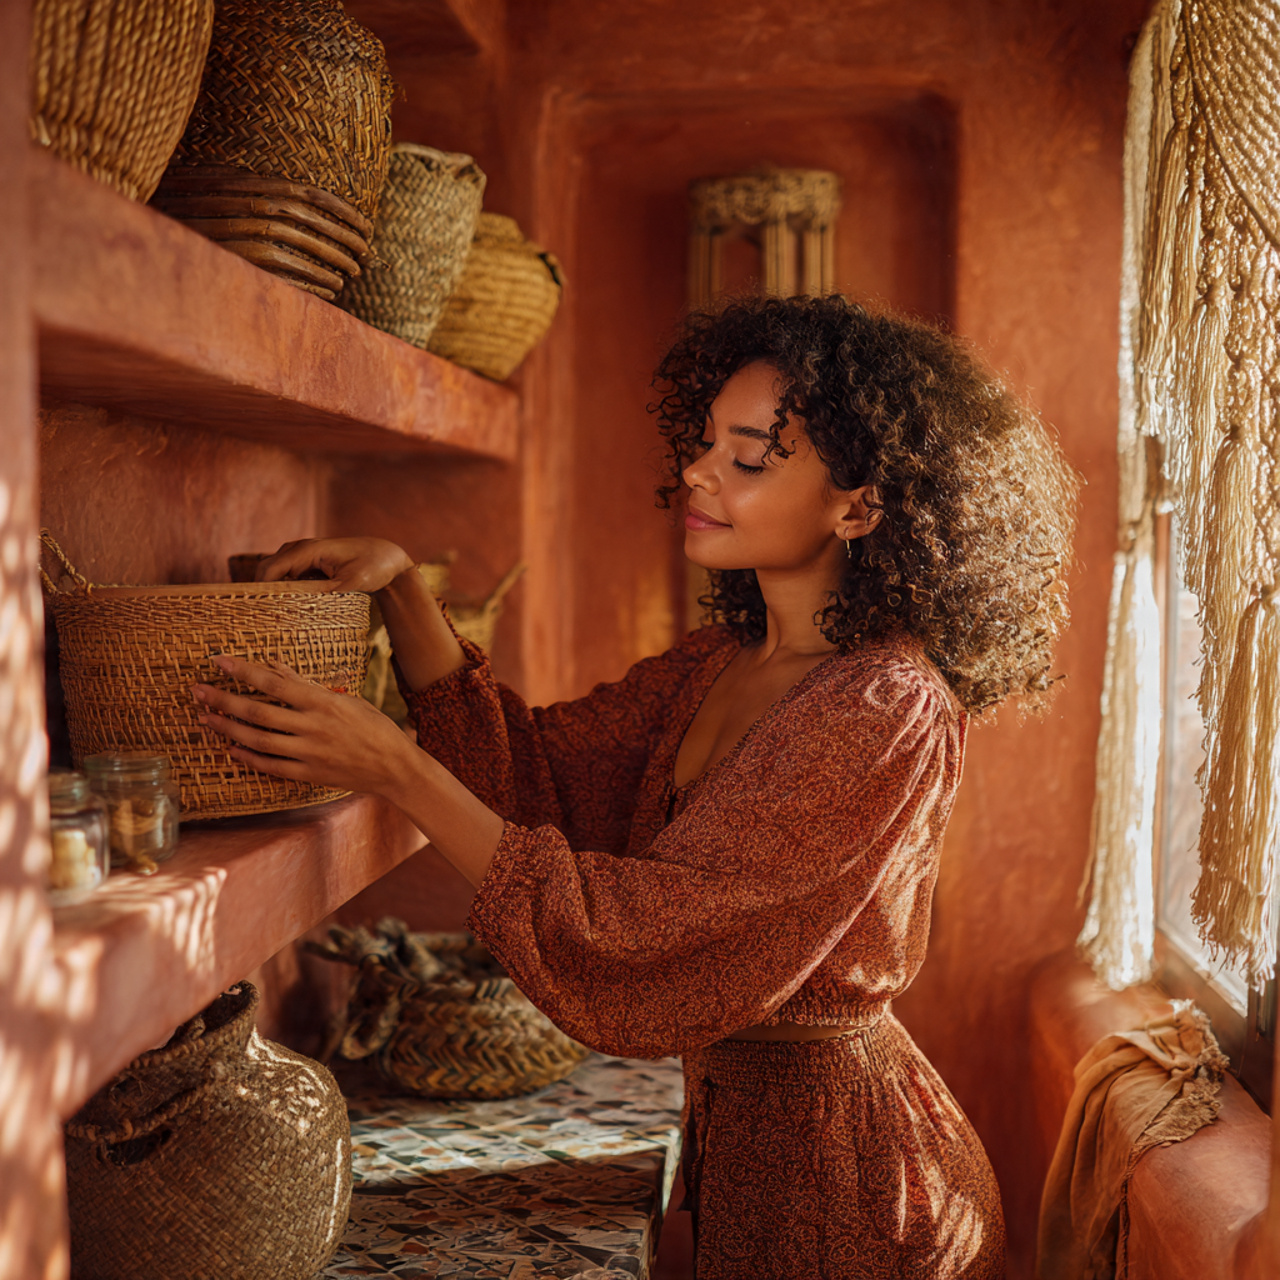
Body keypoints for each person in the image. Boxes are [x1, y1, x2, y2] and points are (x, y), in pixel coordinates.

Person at [195, 293, 1077, 1279]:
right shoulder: (716, 663)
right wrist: (402, 589)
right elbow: (528, 775)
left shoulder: (885, 705)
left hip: (859, 1192)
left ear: (859, 505)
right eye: (703, 443)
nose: (698, 470)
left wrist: (394, 768)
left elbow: (642, 932)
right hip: (747, 1153)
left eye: (749, 456)